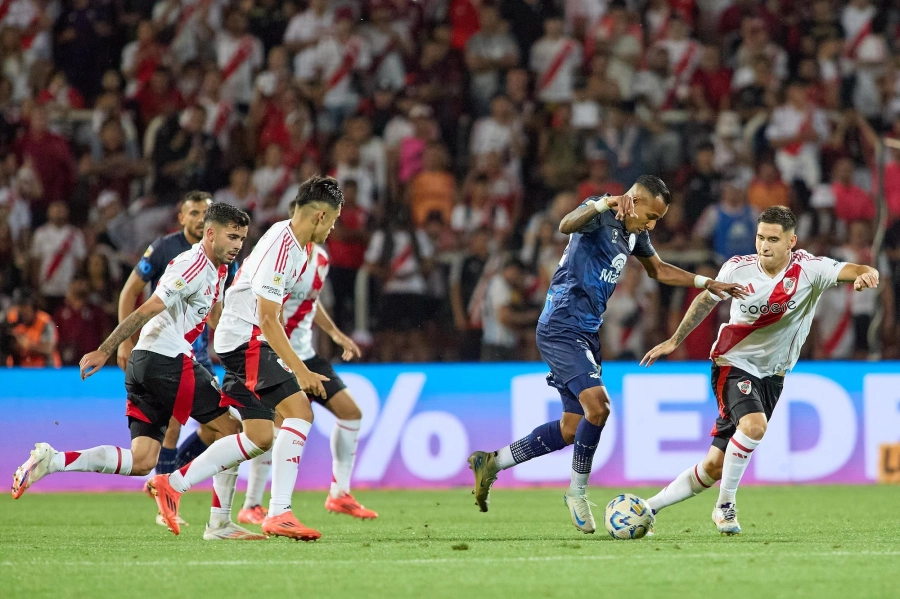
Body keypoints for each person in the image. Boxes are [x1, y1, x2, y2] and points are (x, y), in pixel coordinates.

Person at [467, 175, 745, 533]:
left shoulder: (635, 233)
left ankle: (491, 462)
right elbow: (565, 225)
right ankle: (576, 492)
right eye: (652, 216)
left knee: (571, 427)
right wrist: (601, 203)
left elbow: (658, 269)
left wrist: (705, 282)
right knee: (599, 407)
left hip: (585, 331)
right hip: (561, 325)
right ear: (635, 200)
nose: (653, 224)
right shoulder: (601, 211)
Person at [12, 204, 262, 541]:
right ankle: (215, 521)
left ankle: (52, 460)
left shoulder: (219, 271)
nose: (237, 245)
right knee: (232, 430)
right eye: (232, 236)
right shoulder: (191, 265)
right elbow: (146, 307)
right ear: (210, 232)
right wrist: (107, 348)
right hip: (165, 359)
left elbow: (211, 319)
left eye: (242, 239)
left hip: (148, 364)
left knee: (143, 460)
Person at [640, 206, 880, 535]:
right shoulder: (737, 269)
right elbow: (705, 302)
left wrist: (869, 273)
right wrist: (674, 339)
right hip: (732, 363)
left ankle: (647, 508)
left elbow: (855, 268)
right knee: (754, 427)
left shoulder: (811, 270)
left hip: (773, 376)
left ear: (791, 242)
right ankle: (725, 506)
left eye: (772, 239)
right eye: (760, 237)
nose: (763, 246)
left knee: (713, 466)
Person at [148, 176, 344, 541]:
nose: (332, 229)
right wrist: (300, 370)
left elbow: (273, 312)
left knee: (255, 435)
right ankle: (279, 512)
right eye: (332, 220)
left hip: (242, 340)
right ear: (319, 216)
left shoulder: (297, 249)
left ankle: (193, 502)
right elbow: (268, 319)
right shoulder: (282, 246)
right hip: (247, 340)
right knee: (300, 413)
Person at [239, 220, 376, 525]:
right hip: (278, 352)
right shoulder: (284, 258)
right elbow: (267, 308)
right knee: (273, 432)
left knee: (351, 413)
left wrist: (337, 334)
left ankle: (340, 493)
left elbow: (312, 302)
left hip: (308, 354)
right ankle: (252, 504)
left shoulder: (322, 259)